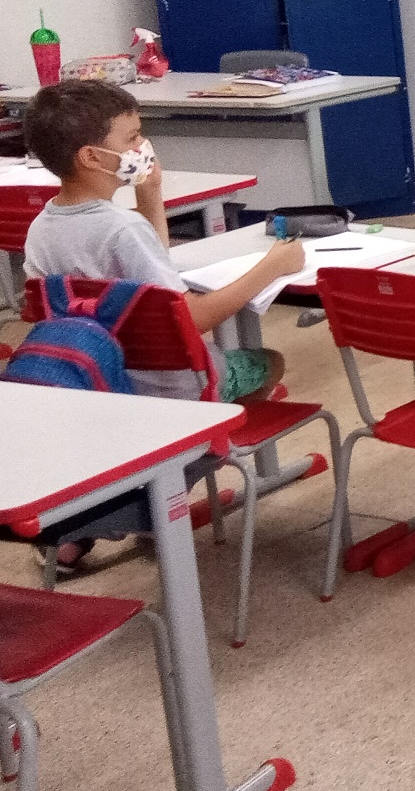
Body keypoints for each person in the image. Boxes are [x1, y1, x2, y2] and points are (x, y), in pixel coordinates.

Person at [18, 79, 306, 569]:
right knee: (270, 363)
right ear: (91, 156)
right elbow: (189, 320)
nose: (142, 146)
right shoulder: (120, 229)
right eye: (132, 137)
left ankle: (102, 516)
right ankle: (168, 484)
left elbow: (152, 283)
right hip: (168, 390)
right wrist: (271, 267)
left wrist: (150, 197)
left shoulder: (42, 229)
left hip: (98, 386)